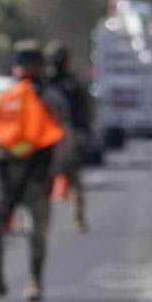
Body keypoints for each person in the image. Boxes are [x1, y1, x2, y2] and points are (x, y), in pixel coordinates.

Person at [0, 41, 68, 301]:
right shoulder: (4, 95)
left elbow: (61, 137)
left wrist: (56, 172)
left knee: (34, 230)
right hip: (2, 172)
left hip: (35, 172)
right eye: (20, 63)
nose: (23, 69)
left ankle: (35, 282)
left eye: (29, 63)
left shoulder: (50, 99)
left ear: (40, 66)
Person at [46, 40, 92, 233]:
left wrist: (84, 131)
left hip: (69, 133)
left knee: (74, 180)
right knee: (44, 181)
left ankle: (78, 219)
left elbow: (85, 108)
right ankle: (43, 222)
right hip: (49, 135)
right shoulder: (45, 83)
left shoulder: (73, 83)